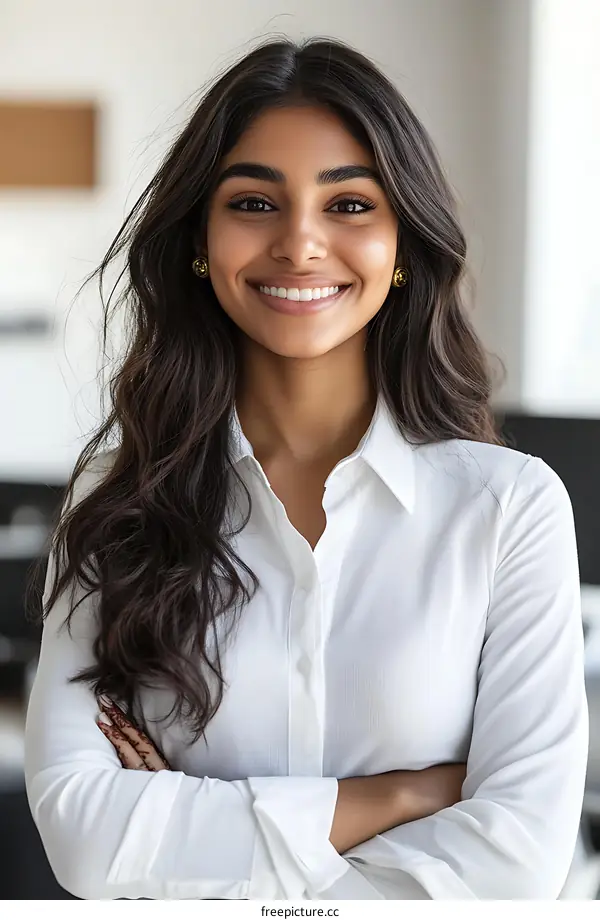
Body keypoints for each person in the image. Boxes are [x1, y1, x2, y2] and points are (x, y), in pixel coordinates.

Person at [24, 37, 588, 901]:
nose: (300, 243)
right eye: (254, 201)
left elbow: (520, 862)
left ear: (402, 246)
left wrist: (188, 827)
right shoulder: (114, 511)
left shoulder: (509, 510)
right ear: (198, 243)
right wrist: (405, 797)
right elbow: (88, 841)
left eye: (350, 204)